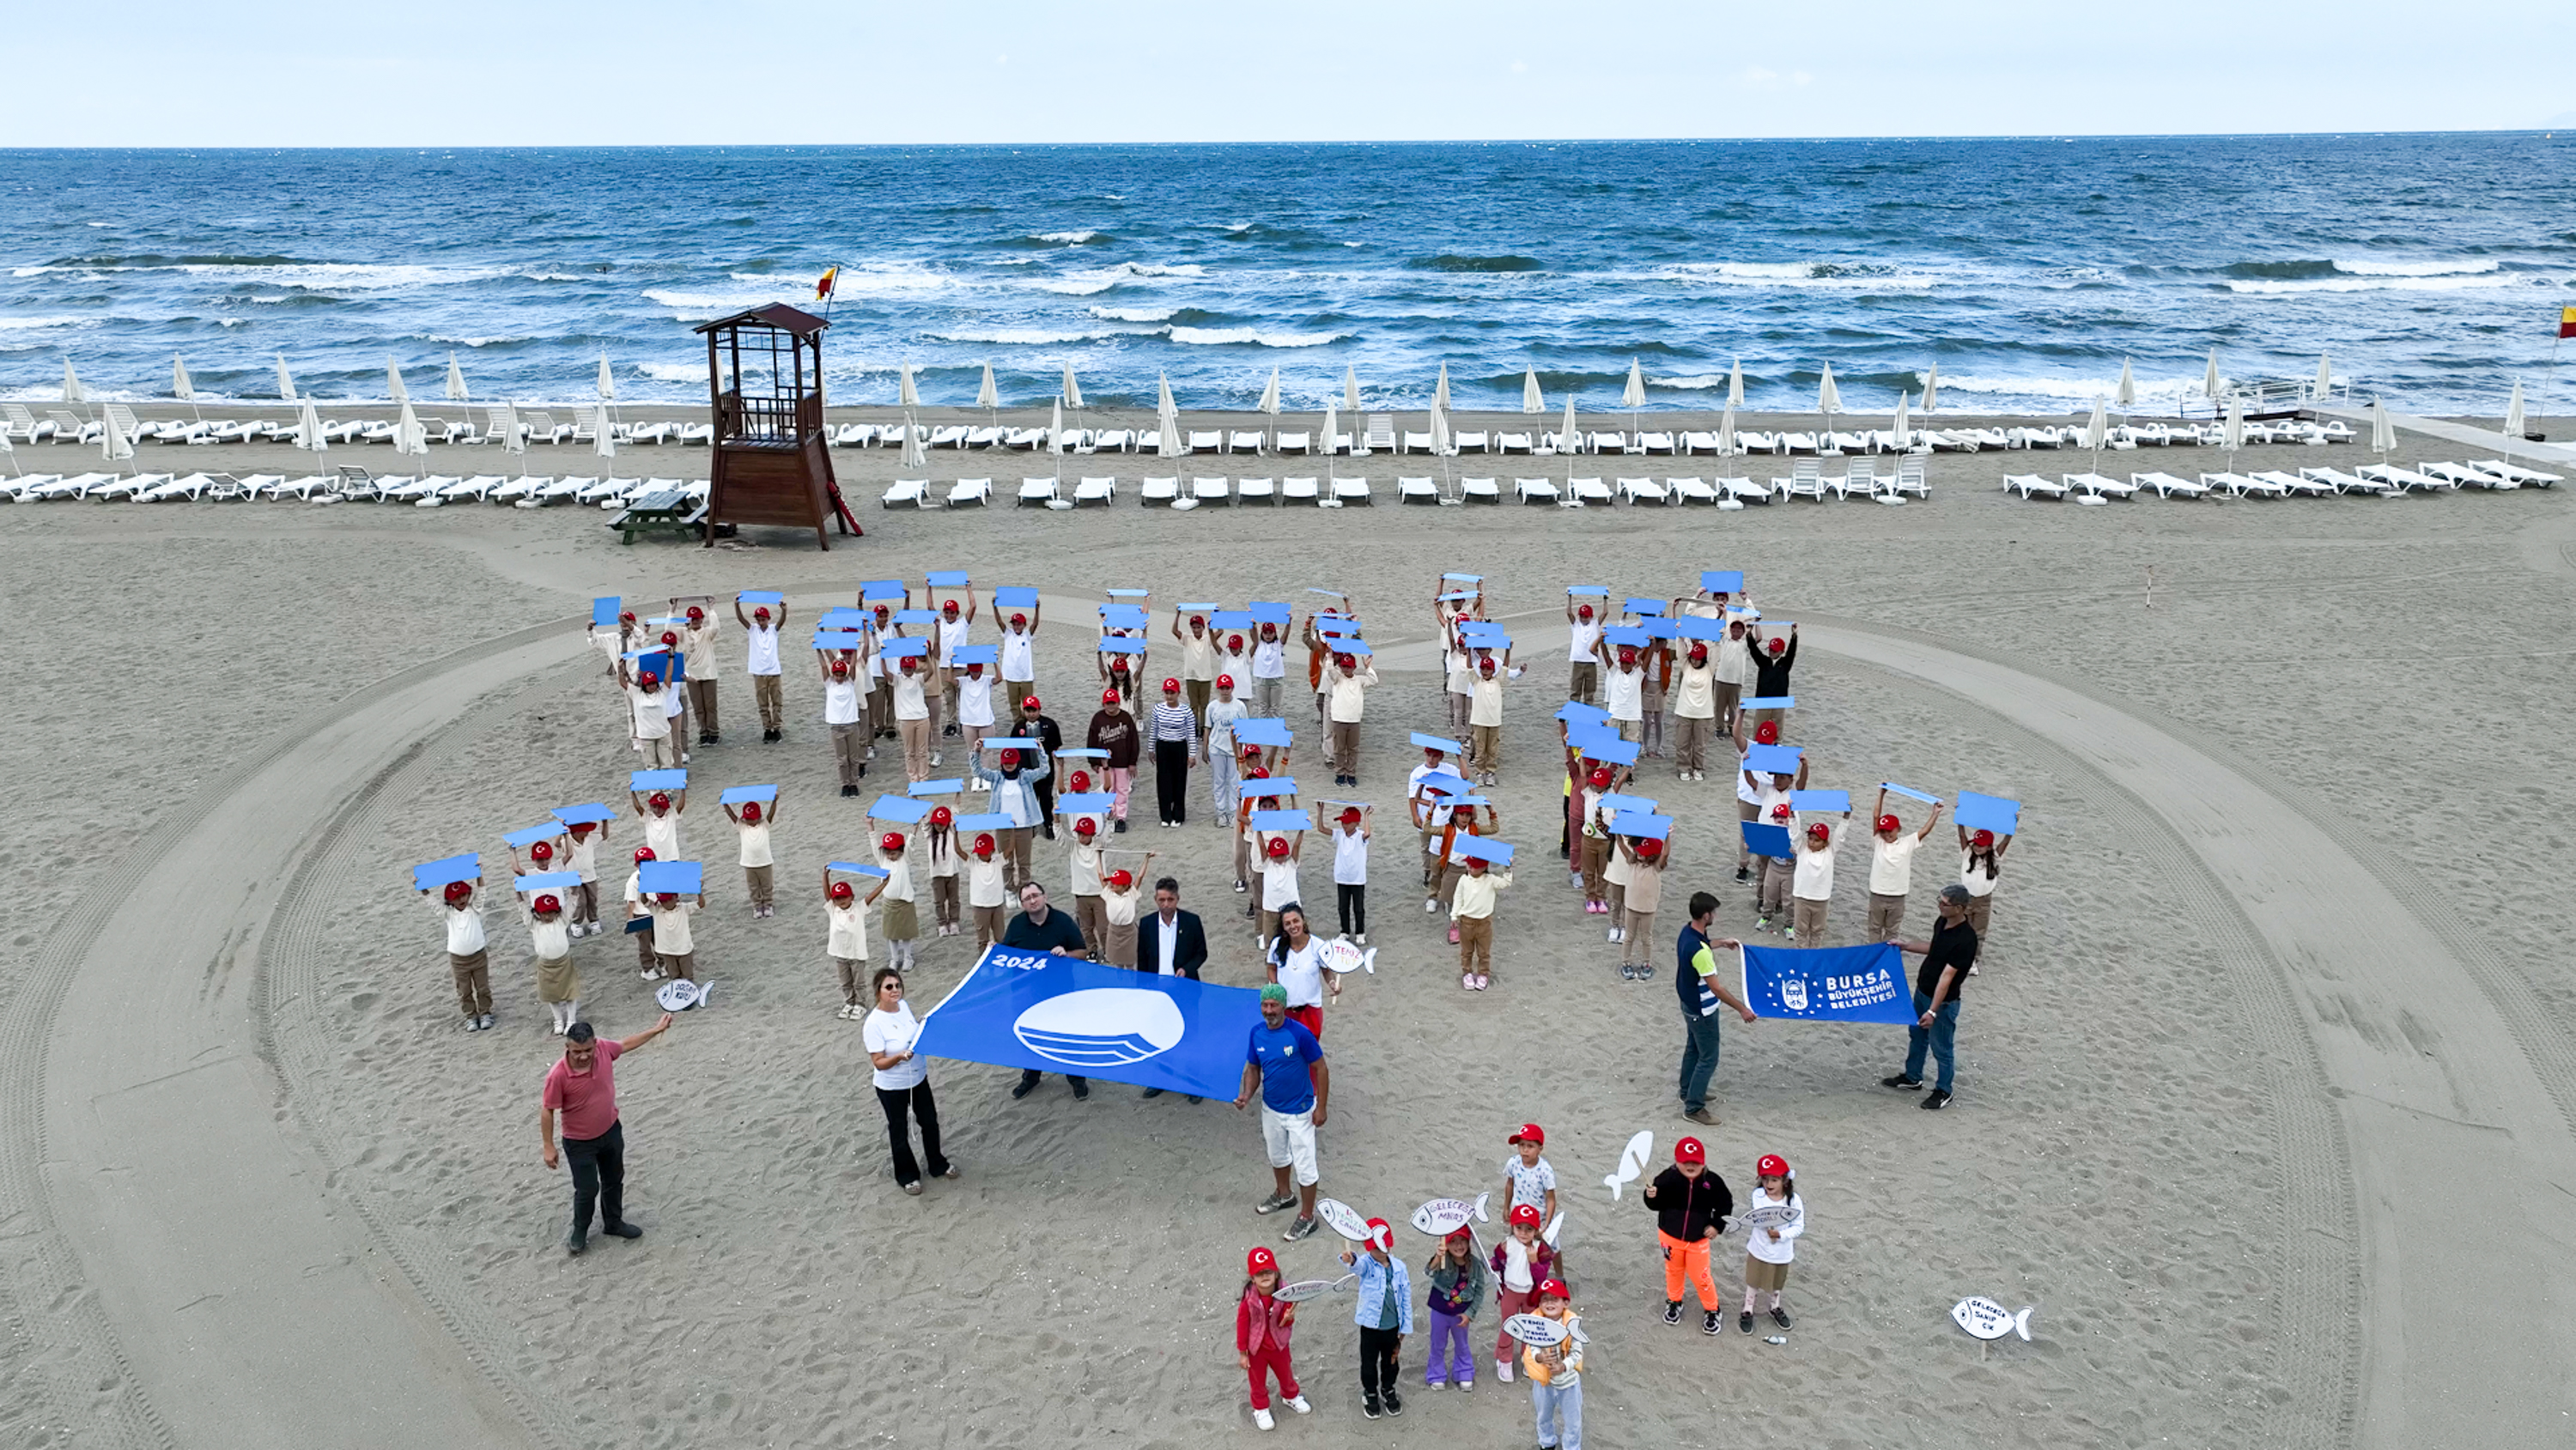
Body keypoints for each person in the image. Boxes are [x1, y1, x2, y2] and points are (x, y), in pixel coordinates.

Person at [539, 1012, 675, 1256]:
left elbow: (625, 1044)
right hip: (579, 1142)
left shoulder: (603, 1049)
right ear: (567, 1048)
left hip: (611, 1130)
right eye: (576, 1051)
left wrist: (655, 1031)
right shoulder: (558, 1075)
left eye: (588, 1050)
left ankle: (613, 1222)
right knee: (587, 1189)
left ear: (595, 1045)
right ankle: (580, 1230)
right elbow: (547, 1110)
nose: (583, 1056)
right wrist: (548, 1146)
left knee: (614, 1179)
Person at [1235, 984, 1327, 1242]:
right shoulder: (1256, 1033)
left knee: (1306, 1167)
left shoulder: (1301, 1034)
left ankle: (1307, 1217)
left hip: (1300, 1112)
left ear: (1283, 1006)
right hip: (1271, 1109)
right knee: (1277, 1156)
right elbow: (1253, 1069)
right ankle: (1284, 1194)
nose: (1269, 1010)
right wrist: (1246, 1095)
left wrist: (1321, 1107)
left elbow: (1321, 1068)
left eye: (1274, 1005)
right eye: (1265, 1005)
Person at [863, 966, 957, 1195]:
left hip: (918, 1079)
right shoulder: (873, 1024)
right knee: (899, 1129)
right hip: (892, 1087)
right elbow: (878, 1062)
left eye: (897, 986)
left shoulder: (903, 1007)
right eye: (889, 987)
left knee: (929, 1122)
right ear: (878, 991)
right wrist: (898, 1057)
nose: (895, 990)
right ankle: (907, 1175)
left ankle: (937, 1163)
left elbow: (910, 1031)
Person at [1883, 883, 1978, 1109]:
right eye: (1940, 901)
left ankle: (1944, 1090)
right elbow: (1934, 947)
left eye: (1945, 904)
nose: (1940, 906)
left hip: (1943, 1002)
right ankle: (1912, 1077)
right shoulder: (1942, 922)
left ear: (1960, 908)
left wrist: (1933, 1010)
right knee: (1917, 1035)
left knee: (1942, 1048)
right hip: (1923, 990)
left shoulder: (1966, 940)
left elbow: (1946, 978)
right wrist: (1905, 946)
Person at [1676, 893, 1759, 1125]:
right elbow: (1717, 989)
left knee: (1693, 1049)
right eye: (1713, 913)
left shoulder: (1688, 933)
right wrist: (1742, 1009)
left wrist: (1721, 943)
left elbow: (1702, 946)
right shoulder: (1701, 953)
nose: (1715, 916)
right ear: (1705, 915)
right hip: (1703, 1010)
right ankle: (1693, 1107)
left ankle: (1688, 1090)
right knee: (1709, 1058)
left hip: (1689, 1004)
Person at [1005, 882, 1092, 1101]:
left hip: (1059, 993)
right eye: (1027, 898)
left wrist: (1066, 954)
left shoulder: (1062, 921)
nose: (1032, 901)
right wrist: (992, 951)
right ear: (1022, 903)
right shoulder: (1016, 924)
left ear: (1045, 896)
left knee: (1067, 1036)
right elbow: (1005, 954)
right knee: (1030, 1036)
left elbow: (1083, 952)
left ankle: (1077, 1079)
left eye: (1036, 895)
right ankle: (1031, 1076)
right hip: (1026, 994)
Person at [1642, 1135, 1733, 1334]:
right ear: (1677, 1162)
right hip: (1670, 1237)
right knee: (1673, 1271)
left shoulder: (1713, 1182)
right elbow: (1656, 1205)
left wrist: (1717, 1225)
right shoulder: (1666, 1178)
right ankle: (1674, 1301)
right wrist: (1651, 1197)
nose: (1690, 1166)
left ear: (1703, 1162)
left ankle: (1712, 1309)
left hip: (1698, 1240)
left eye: (1696, 1162)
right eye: (1685, 1162)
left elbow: (1725, 1205)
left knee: (1701, 1277)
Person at [1340, 1217, 1413, 1420]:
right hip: (1370, 1327)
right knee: (1368, 1362)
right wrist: (1351, 1259)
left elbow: (1405, 1295)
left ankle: (1388, 1389)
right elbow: (1357, 1266)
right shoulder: (1367, 1264)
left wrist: (1405, 1325)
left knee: (1391, 1362)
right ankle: (1370, 1392)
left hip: (1392, 1327)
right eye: (1376, 1248)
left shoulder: (1400, 1267)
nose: (1380, 1252)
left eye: (1384, 1247)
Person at [1237, 1246, 1312, 1430]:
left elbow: (1285, 1323)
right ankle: (1261, 1408)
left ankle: (1290, 1396)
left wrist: (1288, 1319)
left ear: (1276, 1274)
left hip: (1279, 1345)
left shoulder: (1286, 1294)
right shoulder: (1249, 1301)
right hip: (1257, 1349)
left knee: (1285, 1373)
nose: (1265, 1276)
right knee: (1257, 1381)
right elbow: (1242, 1326)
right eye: (1259, 1273)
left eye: (1268, 1271)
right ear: (1252, 1278)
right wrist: (1243, 1352)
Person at [1488, 1205, 1558, 1383]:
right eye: (1519, 1228)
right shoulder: (1507, 1245)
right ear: (1512, 1227)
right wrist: (1491, 1265)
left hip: (1530, 1294)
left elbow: (1541, 1276)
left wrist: (1534, 1261)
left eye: (1529, 1229)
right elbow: (1497, 1262)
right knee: (1508, 1326)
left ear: (1536, 1230)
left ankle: (1529, 1357)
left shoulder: (1540, 1249)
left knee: (1529, 1328)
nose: (1523, 1233)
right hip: (1510, 1291)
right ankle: (1504, 1359)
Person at [970, 742, 1051, 890]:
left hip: (1024, 825)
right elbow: (978, 770)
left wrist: (1041, 751)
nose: (1009, 765)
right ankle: (1008, 889)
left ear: (1017, 762)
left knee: (1024, 862)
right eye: (1006, 763)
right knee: (1006, 862)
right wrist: (976, 752)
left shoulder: (1026, 776)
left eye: (1011, 762)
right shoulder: (996, 777)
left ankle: (1024, 889)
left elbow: (1044, 770)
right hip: (1003, 826)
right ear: (1001, 763)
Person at [1738, 1154, 1804, 1332]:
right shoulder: (1758, 1195)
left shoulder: (1794, 1200)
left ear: (1785, 1181)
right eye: (1765, 1179)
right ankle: (1747, 1309)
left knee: (1777, 1283)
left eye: (1774, 1180)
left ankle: (1775, 1307)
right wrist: (1766, 1227)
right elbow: (1759, 1217)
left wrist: (1780, 1234)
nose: (1769, 1184)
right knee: (1753, 1280)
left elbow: (1799, 1226)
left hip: (1781, 1253)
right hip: (1759, 1248)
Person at [1867, 792, 1944, 943]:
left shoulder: (1907, 843)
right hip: (1877, 893)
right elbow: (1876, 815)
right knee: (1874, 927)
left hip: (1898, 895)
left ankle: (1887, 955)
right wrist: (1881, 794)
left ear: (1898, 829)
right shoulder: (1878, 841)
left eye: (1889, 830)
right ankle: (1874, 954)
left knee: (1892, 930)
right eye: (1883, 830)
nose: (1886, 834)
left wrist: (1935, 813)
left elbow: (1925, 831)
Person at [423, 875, 494, 1032]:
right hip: (458, 960)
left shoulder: (474, 908)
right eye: (456, 897)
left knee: (482, 987)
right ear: (450, 901)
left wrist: (479, 875)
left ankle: (485, 1012)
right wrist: (423, 888)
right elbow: (432, 903)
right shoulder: (448, 913)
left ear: (469, 894)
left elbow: (482, 891)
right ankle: (470, 1016)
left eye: (463, 895)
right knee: (464, 989)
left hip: (478, 956)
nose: (461, 899)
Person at [1422, 1228, 1488, 1393]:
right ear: (1446, 1244)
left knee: (1462, 1344)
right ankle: (1436, 1375)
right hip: (1439, 1310)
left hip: (1461, 1314)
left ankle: (1463, 1372)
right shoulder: (1443, 1260)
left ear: (1469, 1241)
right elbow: (1429, 1271)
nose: (1459, 1245)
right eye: (1453, 1241)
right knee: (1437, 1344)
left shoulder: (1476, 1265)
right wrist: (1438, 1256)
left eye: (1463, 1240)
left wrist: (1470, 1313)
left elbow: (1480, 1291)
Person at [1522, 1279, 1583, 1450]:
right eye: (1544, 1299)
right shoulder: (1535, 1323)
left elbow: (1577, 1353)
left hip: (1569, 1382)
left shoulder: (1572, 1324)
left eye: (1554, 1299)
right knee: (1543, 1417)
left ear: (1566, 1303)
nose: (1549, 1303)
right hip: (1544, 1383)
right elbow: (1532, 1347)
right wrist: (1540, 1357)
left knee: (1573, 1421)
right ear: (1539, 1304)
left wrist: (1563, 1366)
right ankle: (1547, 1444)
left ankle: (1571, 1447)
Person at [1265, 903, 1337, 1040]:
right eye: (1287, 923)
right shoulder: (1277, 944)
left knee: (1309, 1052)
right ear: (1284, 927)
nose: (1293, 926)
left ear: (1303, 921)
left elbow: (1326, 971)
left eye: (1296, 921)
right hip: (1284, 1009)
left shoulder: (1318, 945)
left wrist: (1332, 983)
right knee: (1286, 1050)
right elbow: (1271, 967)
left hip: (1310, 1011)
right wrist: (1274, 985)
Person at [1449, 844, 1510, 992]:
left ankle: (1483, 973)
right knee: (1466, 951)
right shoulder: (1463, 880)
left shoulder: (1490, 880)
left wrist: (1508, 869)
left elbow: (1505, 883)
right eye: (1469, 864)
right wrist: (1454, 916)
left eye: (1474, 866)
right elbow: (1458, 898)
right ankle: (1467, 973)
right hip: (1466, 921)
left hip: (1484, 922)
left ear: (1483, 867)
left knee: (1484, 951)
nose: (1469, 868)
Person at [1789, 805, 1851, 945]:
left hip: (1821, 899)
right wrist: (1791, 816)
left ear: (1825, 842)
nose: (1812, 842)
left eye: (1817, 840)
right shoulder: (1802, 848)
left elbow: (1839, 837)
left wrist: (1846, 818)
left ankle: (1814, 955)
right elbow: (1795, 834)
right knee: (1800, 930)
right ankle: (1802, 956)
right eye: (1810, 838)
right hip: (1802, 897)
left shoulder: (1830, 851)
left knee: (1817, 930)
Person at [824, 872, 882, 1019]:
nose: (841, 900)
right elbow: (826, 893)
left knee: (859, 982)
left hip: (856, 953)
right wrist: (825, 876)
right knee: (845, 982)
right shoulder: (833, 909)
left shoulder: (858, 908)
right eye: (837, 898)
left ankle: (860, 1005)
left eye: (844, 896)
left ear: (852, 897)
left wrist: (884, 884)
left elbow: (870, 897)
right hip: (840, 953)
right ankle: (849, 1003)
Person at [1957, 823, 2013, 967]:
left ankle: (1973, 960)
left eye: (1981, 845)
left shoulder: (1994, 858)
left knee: (1979, 932)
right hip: (1966, 898)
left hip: (1984, 901)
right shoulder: (1967, 853)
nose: (1977, 847)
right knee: (1963, 930)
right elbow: (1962, 836)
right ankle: (1961, 957)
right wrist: (1960, 821)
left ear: (1989, 847)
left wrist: (2012, 824)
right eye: (1976, 844)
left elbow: (2005, 842)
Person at [1087, 688, 1141, 833]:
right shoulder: (1098, 718)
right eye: (1108, 703)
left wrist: (1132, 762)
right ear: (1103, 704)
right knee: (1107, 788)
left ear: (1118, 703)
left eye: (1113, 703)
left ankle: (1121, 817)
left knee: (1122, 789)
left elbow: (1133, 741)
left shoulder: (1126, 718)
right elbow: (1091, 740)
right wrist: (1093, 761)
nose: (1110, 707)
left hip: (1123, 762)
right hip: (1105, 764)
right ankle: (1109, 815)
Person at [734, 595, 787, 743]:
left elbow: (781, 622)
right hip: (759, 672)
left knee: (777, 702)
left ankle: (776, 728)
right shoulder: (753, 630)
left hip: (774, 671)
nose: (760, 622)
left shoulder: (773, 630)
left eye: (763, 619)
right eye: (758, 619)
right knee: (762, 703)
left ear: (768, 619)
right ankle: (767, 728)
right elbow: (741, 619)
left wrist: (784, 610)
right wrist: (737, 605)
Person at [1320, 650, 1377, 787]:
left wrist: (1368, 667)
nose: (1346, 669)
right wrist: (1330, 657)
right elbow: (1330, 670)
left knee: (1353, 749)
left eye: (1349, 666)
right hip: (1339, 720)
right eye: (1344, 666)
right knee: (1339, 749)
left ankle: (1351, 773)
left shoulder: (1359, 680)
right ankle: (1340, 773)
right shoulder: (1337, 679)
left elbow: (1374, 680)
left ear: (1354, 667)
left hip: (1354, 721)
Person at [1616, 834, 1668, 981]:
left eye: (1642, 853)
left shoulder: (1656, 867)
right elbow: (1620, 843)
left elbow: (1665, 853)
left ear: (1652, 855)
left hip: (1648, 909)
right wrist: (1617, 828)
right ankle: (1625, 962)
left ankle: (1647, 964)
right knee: (1629, 937)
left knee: (1647, 937)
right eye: (1638, 851)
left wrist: (1668, 836)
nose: (1638, 854)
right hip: (1631, 907)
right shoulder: (1632, 862)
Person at [1149, 676, 1199, 827]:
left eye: (1172, 693)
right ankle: (1165, 815)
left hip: (1179, 746)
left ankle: (1178, 815)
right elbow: (1154, 730)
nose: (1169, 696)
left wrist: (1192, 754)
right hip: (1163, 746)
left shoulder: (1186, 711)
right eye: (1167, 693)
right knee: (1163, 781)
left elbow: (1191, 733)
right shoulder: (1158, 709)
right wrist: (1151, 749)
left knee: (1179, 781)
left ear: (1178, 693)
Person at [526, 892, 579, 1034]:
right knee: (550, 994)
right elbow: (523, 911)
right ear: (537, 914)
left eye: (551, 912)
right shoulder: (534, 925)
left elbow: (571, 906)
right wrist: (519, 895)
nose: (548, 916)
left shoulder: (561, 921)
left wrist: (575, 890)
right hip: (545, 964)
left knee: (570, 991)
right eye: (544, 913)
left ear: (557, 912)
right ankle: (558, 1020)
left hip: (564, 962)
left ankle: (571, 1020)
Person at [819, 649, 867, 796]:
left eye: (841, 674)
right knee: (842, 760)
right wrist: (818, 651)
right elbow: (823, 667)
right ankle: (844, 784)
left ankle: (854, 783)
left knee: (853, 758)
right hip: (836, 727)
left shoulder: (850, 683)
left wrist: (853, 649)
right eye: (837, 674)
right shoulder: (830, 684)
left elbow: (852, 666)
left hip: (852, 725)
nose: (839, 677)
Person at [723, 795, 779, 919]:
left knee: (767, 885)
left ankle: (768, 904)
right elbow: (732, 816)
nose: (750, 821)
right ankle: (757, 906)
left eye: (752, 819)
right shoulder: (742, 827)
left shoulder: (764, 825)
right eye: (747, 818)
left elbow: (771, 814)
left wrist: (774, 801)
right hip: (749, 864)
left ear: (759, 818)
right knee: (753, 887)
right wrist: (725, 804)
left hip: (765, 862)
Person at [1203, 672, 1247, 827]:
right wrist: (1205, 748)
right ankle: (1221, 813)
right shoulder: (1212, 707)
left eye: (1227, 688)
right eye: (1222, 688)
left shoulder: (1240, 706)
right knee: (1219, 782)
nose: (1225, 691)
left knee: (1235, 782)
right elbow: (1207, 728)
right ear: (1218, 689)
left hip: (1234, 751)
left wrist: (1244, 750)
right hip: (1216, 748)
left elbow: (1244, 729)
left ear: (1232, 688)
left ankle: (1234, 813)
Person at [1671, 638, 1717, 780]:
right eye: (1693, 658)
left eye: (1698, 659)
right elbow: (1680, 652)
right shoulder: (1686, 666)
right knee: (1683, 743)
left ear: (1703, 659)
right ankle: (1684, 768)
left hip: (1703, 713)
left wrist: (1717, 636)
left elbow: (1716, 650)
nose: (1694, 661)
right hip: (1684, 711)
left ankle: (1698, 768)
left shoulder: (1709, 669)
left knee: (1700, 745)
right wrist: (1680, 636)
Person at [618, 660, 677, 769]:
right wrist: (620, 669)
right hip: (646, 737)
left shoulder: (662, 692)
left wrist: (670, 657)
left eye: (654, 683)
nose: (652, 686)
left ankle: (668, 787)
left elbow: (668, 675)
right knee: (651, 767)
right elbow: (623, 683)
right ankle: (655, 787)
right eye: (649, 684)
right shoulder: (637, 694)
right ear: (644, 685)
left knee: (667, 765)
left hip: (663, 734)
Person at [1021, 695, 1066, 837]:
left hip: (1045, 770)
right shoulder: (1019, 727)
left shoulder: (1050, 725)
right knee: (1030, 798)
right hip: (1027, 770)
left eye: (1034, 710)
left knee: (1046, 798)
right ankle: (1031, 825)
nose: (1031, 713)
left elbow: (1056, 745)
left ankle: (1048, 824)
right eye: (1028, 710)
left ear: (1039, 710)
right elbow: (1014, 748)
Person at [677, 602, 721, 746]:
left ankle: (713, 732)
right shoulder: (684, 633)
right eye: (692, 619)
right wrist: (672, 610)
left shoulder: (707, 632)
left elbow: (715, 626)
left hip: (708, 673)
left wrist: (711, 609)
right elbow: (668, 629)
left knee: (710, 706)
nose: (695, 621)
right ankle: (703, 733)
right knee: (698, 707)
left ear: (702, 619)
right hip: (692, 675)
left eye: (697, 618)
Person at [1255, 828, 1304, 954]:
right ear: (1271, 855)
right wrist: (1258, 830)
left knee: (1293, 936)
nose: (1280, 857)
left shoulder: (1291, 864)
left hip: (1291, 908)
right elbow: (1261, 845)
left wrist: (1301, 830)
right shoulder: (1267, 864)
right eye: (1277, 855)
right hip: (1271, 909)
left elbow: (1297, 846)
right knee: (1271, 939)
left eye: (1282, 854)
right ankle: (1272, 960)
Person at [876, 828, 919, 970]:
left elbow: (910, 843)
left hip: (905, 902)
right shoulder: (882, 860)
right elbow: (873, 843)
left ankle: (907, 957)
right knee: (892, 934)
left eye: (893, 853)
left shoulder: (905, 859)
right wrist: (870, 827)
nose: (889, 855)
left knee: (906, 933)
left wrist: (915, 827)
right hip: (889, 903)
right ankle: (895, 959)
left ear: (901, 851)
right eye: (887, 852)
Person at [1500, 1124, 1558, 1226]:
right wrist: (1506, 1207)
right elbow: (1510, 1184)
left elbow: (1550, 1199)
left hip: (1538, 1219)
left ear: (1540, 1149)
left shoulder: (1545, 1171)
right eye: (1521, 1145)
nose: (1525, 1150)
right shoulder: (1513, 1163)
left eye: (1530, 1146)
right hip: (1518, 1215)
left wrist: (1547, 1225)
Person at [1328, 804, 1370, 944]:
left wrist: (1366, 816)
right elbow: (1322, 829)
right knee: (1343, 907)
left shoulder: (1360, 836)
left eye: (1347, 822)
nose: (1344, 825)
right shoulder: (1340, 834)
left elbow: (1367, 834)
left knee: (1358, 908)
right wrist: (1320, 810)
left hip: (1357, 878)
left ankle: (1360, 932)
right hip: (1342, 877)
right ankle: (1344, 931)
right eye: (1343, 822)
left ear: (1356, 823)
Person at [1467, 652, 1510, 786]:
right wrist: (1468, 652)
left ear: (1493, 670)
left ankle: (1490, 772)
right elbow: (1469, 668)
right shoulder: (1476, 681)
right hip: (1479, 721)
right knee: (1480, 750)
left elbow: (1505, 667)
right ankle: (1480, 773)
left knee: (1492, 749)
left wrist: (1508, 651)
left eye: (1488, 669)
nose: (1485, 671)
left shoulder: (1498, 681)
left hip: (1494, 721)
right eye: (1483, 669)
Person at [1174, 608, 1220, 726]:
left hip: (1205, 677)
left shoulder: (1207, 639)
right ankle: (1194, 728)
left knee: (1204, 705)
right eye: (1194, 627)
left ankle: (1204, 728)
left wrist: (1216, 615)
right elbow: (1174, 630)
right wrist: (1178, 614)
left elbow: (1220, 631)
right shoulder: (1187, 638)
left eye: (1198, 627)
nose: (1196, 630)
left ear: (1203, 628)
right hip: (1191, 676)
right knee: (1193, 705)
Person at [644, 886, 701, 983]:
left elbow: (701, 904)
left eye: (668, 900)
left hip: (684, 949)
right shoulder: (657, 910)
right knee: (673, 976)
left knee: (687, 976)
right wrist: (643, 888)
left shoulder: (684, 908)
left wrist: (699, 891)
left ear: (676, 898)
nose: (665, 904)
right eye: (662, 901)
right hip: (668, 950)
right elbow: (644, 901)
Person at [1100, 861, 1150, 969]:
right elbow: (1100, 874)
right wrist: (1097, 854)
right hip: (1114, 930)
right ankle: (1120, 983)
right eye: (1112, 882)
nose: (1112, 884)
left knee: (1130, 963)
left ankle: (1131, 983)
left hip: (1129, 932)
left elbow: (1140, 877)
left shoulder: (1131, 894)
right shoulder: (1108, 893)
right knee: (1117, 963)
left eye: (1116, 883)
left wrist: (1147, 859)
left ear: (1125, 885)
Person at [999, 602, 1042, 727]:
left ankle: (1029, 723)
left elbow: (1035, 624)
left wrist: (1037, 609)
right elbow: (999, 622)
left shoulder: (1027, 635)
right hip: (1011, 676)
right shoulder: (1008, 635)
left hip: (1026, 676)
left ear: (1024, 625)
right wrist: (995, 607)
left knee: (1028, 703)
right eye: (1014, 624)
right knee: (1014, 704)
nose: (1016, 626)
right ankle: (1018, 724)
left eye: (1019, 624)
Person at [964, 832, 1008, 950]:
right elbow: (959, 851)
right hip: (980, 905)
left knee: (1000, 937)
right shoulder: (973, 863)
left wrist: (1012, 830)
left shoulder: (998, 860)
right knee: (982, 939)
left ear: (992, 851)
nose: (980, 855)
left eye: (983, 853)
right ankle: (983, 960)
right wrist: (955, 833)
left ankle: (1000, 958)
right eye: (979, 853)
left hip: (997, 904)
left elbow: (1010, 848)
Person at [562, 817, 605, 937]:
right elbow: (556, 844)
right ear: (576, 832)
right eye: (585, 830)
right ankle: (576, 923)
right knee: (580, 902)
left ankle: (593, 921)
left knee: (592, 899)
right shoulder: (567, 841)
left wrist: (605, 821)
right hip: (575, 877)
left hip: (590, 875)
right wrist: (562, 828)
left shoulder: (589, 839)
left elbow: (604, 835)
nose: (587, 832)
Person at [924, 804, 961, 937]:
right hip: (937, 874)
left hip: (952, 872)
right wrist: (914, 796)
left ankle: (954, 922)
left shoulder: (951, 832)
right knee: (938, 901)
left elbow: (955, 810)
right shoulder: (929, 833)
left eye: (942, 824)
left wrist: (958, 792)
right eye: (937, 823)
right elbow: (922, 813)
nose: (940, 826)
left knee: (954, 900)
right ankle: (942, 924)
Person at [1565, 595, 1602, 705]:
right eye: (1581, 616)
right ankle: (1574, 712)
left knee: (1589, 691)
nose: (1583, 619)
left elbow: (1605, 613)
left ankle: (1588, 711)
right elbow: (1568, 613)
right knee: (1575, 690)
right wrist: (1569, 597)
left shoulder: (1595, 625)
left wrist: (1605, 599)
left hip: (1591, 662)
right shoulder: (1576, 625)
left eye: (1586, 617)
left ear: (1591, 617)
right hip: (1578, 662)